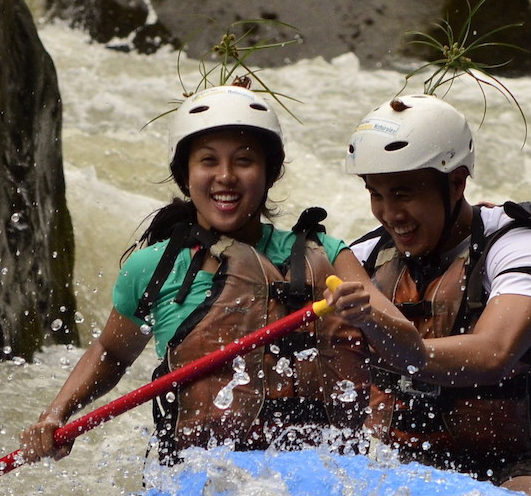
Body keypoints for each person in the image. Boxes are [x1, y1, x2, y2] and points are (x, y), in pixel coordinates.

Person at [21, 84, 372, 463]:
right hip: (199, 481)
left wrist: (364, 311)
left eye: (243, 161)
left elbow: (392, 332)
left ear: (269, 173)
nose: (225, 176)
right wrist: (57, 414)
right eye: (208, 161)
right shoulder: (153, 269)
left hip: (324, 472)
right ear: (184, 175)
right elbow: (111, 352)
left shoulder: (327, 256)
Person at [327, 93, 531, 496]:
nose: (390, 214)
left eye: (404, 194)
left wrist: (405, 348)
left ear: (457, 182)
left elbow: (494, 352)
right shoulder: (366, 257)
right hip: (399, 468)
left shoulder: (521, 245)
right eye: (377, 195)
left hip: (515, 467)